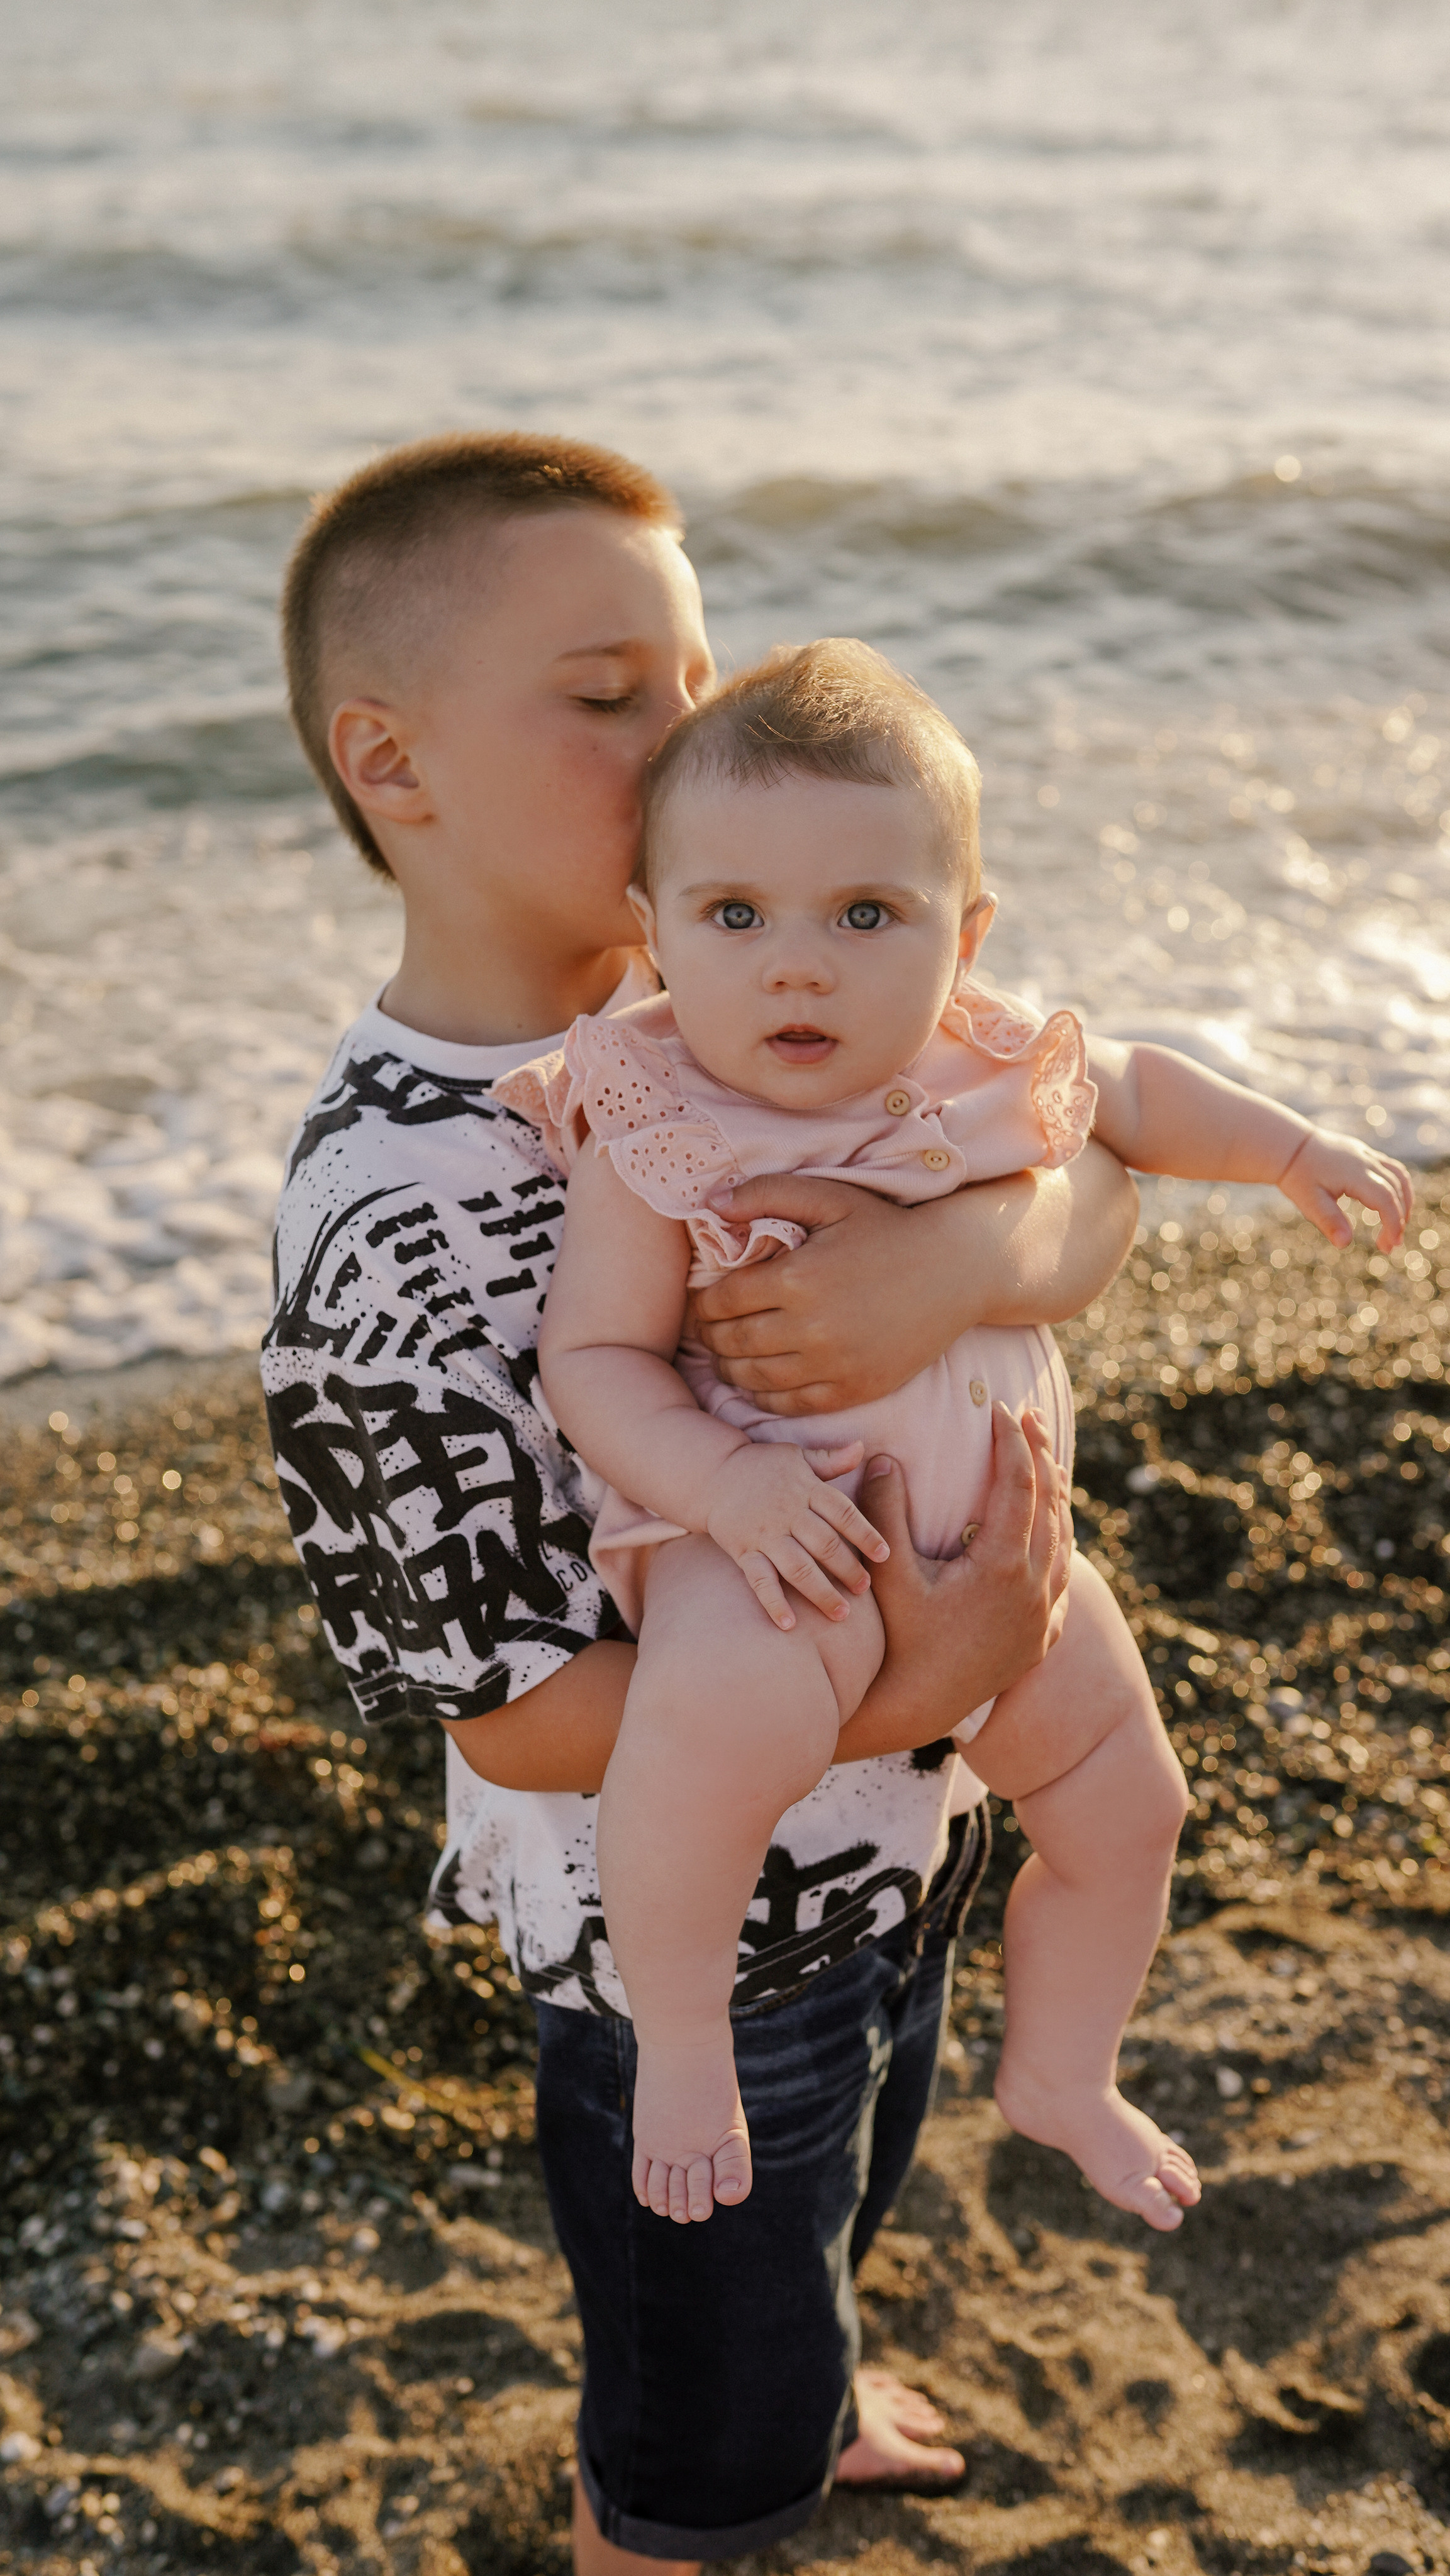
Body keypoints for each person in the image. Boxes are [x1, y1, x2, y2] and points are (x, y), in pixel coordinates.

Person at [264, 431, 1140, 2575]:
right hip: (697, 1938)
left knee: (839, 2195)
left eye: (697, 667)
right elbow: (504, 1706)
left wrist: (967, 1261)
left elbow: (1086, 1139)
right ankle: (673, 2500)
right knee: (697, 2384)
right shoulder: (394, 1215)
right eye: (607, 694)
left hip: (891, 1846)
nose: (695, 732)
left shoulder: (742, 995)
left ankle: (807, 2389)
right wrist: (928, 1672)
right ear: (395, 758)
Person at [496, 637, 1414, 2242]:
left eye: (868, 915)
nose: (800, 966)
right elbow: (590, 1360)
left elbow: (1132, 1093)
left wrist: (1286, 1148)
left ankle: (1064, 2067)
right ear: (652, 937)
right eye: (735, 917)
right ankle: (687, 2036)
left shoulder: (984, 1059)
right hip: (780, 1544)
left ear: (963, 931)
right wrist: (725, 1485)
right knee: (700, 1747)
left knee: (1135, 1805)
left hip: (1010, 1538)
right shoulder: (657, 1126)